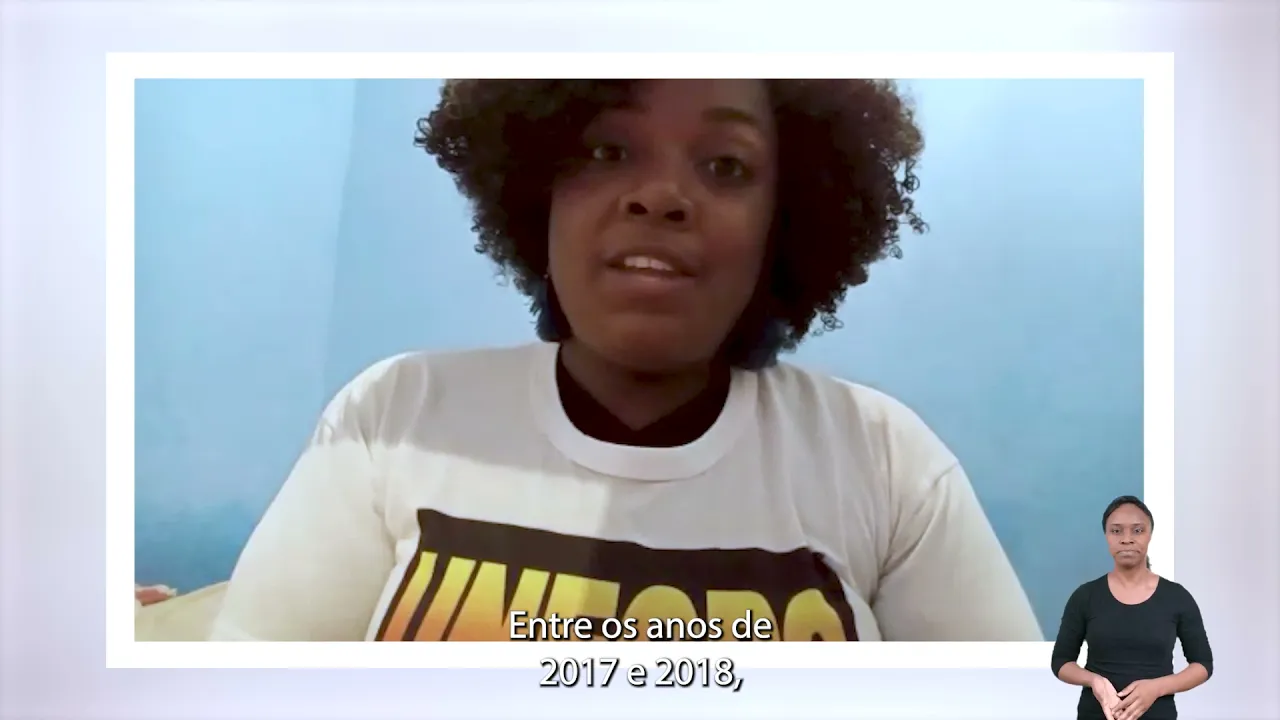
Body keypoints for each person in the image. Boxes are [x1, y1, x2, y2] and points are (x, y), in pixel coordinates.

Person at [210, 79, 1041, 642]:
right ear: (538, 191)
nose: (660, 196)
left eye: (725, 165)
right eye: (608, 152)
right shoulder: (394, 416)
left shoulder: (885, 460)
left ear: (784, 221)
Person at [1051, 496, 1213, 720]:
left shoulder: (1177, 597)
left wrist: (1157, 688)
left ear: (1150, 535)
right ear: (1106, 536)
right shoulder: (1085, 596)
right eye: (1116, 531)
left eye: (1137, 530)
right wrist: (1094, 681)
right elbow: (1061, 661)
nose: (1127, 539)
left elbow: (1203, 664)